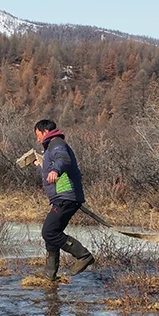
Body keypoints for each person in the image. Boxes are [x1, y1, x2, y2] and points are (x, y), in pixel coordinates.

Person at [34, 118, 95, 280]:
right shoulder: (51, 146)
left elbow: (63, 159)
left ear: (45, 132)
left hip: (65, 197)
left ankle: (83, 256)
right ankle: (49, 273)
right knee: (53, 232)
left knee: (49, 231)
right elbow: (57, 161)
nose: (37, 138)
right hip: (63, 197)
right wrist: (43, 165)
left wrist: (55, 170)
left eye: (37, 134)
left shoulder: (56, 144)